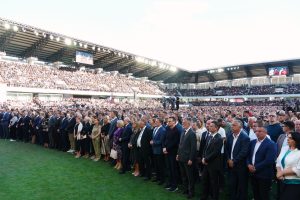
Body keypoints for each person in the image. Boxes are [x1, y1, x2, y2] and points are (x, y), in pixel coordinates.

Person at [247, 122, 277, 200]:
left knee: (264, 194)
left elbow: (269, 160)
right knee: (255, 193)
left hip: (264, 174)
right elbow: (248, 155)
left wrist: (255, 167)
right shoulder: (253, 142)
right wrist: (248, 165)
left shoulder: (271, 144)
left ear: (265, 133)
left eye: (260, 131)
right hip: (253, 173)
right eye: (256, 131)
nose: (257, 133)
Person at [226, 119, 250, 200]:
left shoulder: (245, 137)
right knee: (232, 184)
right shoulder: (230, 136)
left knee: (242, 185)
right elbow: (227, 149)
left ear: (240, 127)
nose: (231, 127)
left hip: (240, 165)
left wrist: (234, 161)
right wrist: (229, 159)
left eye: (234, 125)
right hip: (231, 164)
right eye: (232, 125)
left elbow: (244, 152)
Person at [200, 120, 223, 200]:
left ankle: (214, 197)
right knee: (205, 181)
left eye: (211, 126)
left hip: (213, 164)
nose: (209, 127)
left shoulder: (219, 138)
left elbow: (215, 152)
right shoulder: (209, 136)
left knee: (214, 183)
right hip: (206, 163)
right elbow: (205, 149)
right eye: (209, 126)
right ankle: (204, 196)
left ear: (216, 128)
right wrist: (203, 157)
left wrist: (206, 159)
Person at [276, 131, 300, 200]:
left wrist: (282, 172)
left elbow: (298, 169)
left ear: (296, 140)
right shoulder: (284, 149)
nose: (287, 139)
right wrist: (278, 171)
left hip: (295, 184)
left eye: (290, 138)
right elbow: (278, 161)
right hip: (283, 181)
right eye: (287, 137)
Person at [177, 118, 197, 199]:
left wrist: (191, 159)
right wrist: (178, 154)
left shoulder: (192, 133)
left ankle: (191, 192)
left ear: (188, 123)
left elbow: (193, 148)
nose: (183, 124)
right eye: (183, 123)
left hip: (187, 159)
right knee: (183, 175)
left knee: (190, 177)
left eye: (184, 123)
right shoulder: (183, 131)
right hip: (181, 157)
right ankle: (185, 189)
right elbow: (180, 144)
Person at [163, 116, 181, 192]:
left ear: (174, 122)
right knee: (169, 168)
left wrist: (166, 148)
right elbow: (164, 139)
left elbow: (175, 142)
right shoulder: (167, 129)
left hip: (173, 152)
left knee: (174, 169)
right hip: (166, 151)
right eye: (168, 121)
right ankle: (170, 183)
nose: (168, 122)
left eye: (170, 121)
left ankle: (175, 185)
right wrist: (164, 147)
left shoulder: (176, 130)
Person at [151, 118, 166, 185]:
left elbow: (161, 141)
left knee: (160, 165)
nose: (155, 122)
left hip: (159, 150)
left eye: (157, 121)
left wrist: (153, 142)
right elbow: (154, 138)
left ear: (160, 122)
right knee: (156, 165)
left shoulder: (162, 130)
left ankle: (162, 179)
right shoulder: (155, 128)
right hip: (154, 150)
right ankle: (157, 177)